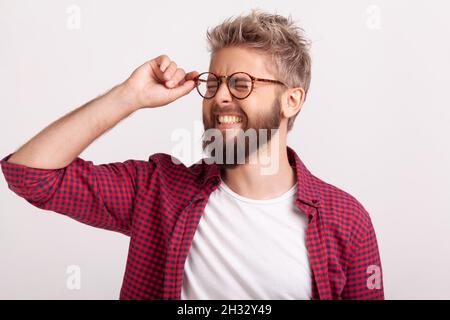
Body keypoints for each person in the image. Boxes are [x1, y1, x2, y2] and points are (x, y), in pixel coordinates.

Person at [0, 9, 384, 300]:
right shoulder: (157, 191)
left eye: (240, 83)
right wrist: (129, 96)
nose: (219, 96)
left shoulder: (346, 220)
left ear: (291, 100)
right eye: (213, 82)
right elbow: (30, 175)